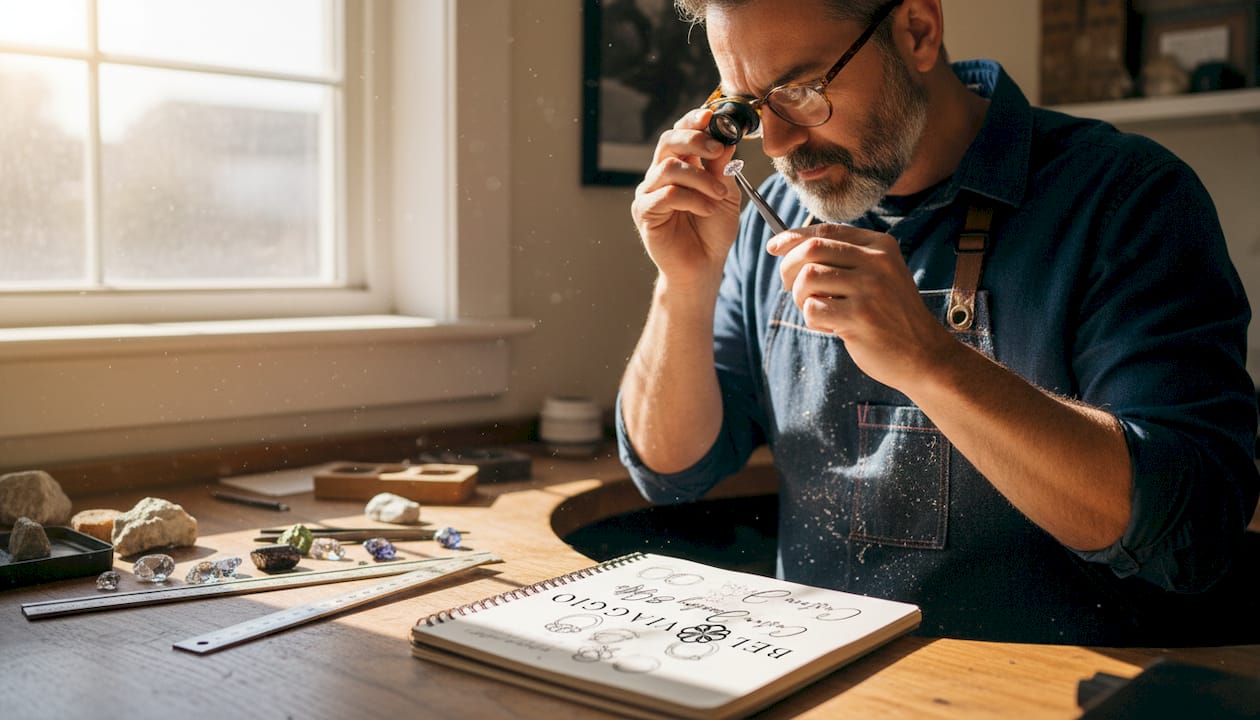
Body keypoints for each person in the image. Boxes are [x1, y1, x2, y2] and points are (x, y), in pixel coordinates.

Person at [616, 0, 1260, 645]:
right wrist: (685, 283)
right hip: (816, 678)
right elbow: (672, 470)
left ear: (918, 32)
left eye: (802, 92)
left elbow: (1190, 533)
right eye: (752, 109)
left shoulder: (1125, 197)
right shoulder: (773, 214)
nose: (778, 145)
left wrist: (932, 359)